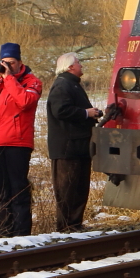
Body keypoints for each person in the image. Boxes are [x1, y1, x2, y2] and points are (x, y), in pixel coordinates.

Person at [0, 42, 43, 237]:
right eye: (3, 62)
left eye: (11, 63)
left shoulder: (32, 81)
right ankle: (2, 232)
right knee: (0, 190)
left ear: (20, 62)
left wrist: (9, 78)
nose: (7, 66)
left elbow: (25, 102)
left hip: (18, 143)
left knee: (18, 189)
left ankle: (21, 233)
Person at [46, 53, 101, 232]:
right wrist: (86, 113)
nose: (81, 65)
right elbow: (61, 110)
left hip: (78, 147)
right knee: (67, 189)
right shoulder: (62, 85)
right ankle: (66, 227)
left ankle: (75, 224)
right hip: (67, 148)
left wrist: (93, 113)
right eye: (78, 63)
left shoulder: (72, 85)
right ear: (70, 67)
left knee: (78, 188)